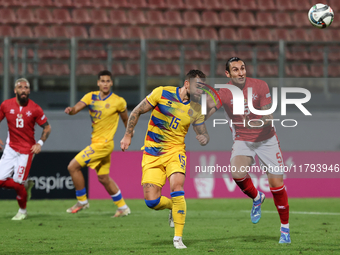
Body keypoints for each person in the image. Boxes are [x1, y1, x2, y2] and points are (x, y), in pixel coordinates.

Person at [120, 70, 209, 249]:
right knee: (151, 202)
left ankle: (178, 238)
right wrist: (128, 135)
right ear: (186, 84)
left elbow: (202, 131)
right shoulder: (161, 93)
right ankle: (171, 207)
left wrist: (204, 138)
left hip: (176, 152)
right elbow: (136, 111)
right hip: (152, 153)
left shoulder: (197, 108)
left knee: (177, 187)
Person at [206, 57, 290, 243]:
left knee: (276, 186)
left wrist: (254, 123)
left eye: (242, 68)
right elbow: (210, 108)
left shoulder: (260, 85)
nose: (241, 72)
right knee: (237, 172)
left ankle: (285, 229)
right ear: (228, 74)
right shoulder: (224, 92)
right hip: (243, 139)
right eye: (235, 70)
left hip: (267, 139)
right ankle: (257, 197)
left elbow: (268, 116)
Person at [65, 70, 130, 217]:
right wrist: (71, 110)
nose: (105, 83)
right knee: (103, 178)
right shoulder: (90, 97)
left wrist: (128, 135)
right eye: (102, 81)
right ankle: (122, 207)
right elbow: (76, 108)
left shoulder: (118, 101)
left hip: (104, 144)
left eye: (108, 81)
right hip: (96, 142)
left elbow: (126, 119)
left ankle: (82, 201)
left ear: (111, 83)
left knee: (72, 166)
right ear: (98, 83)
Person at [0, 78, 51, 220]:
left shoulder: (35, 108)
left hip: (26, 151)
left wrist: (40, 143)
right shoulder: (6, 105)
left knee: (17, 184)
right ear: (15, 90)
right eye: (20, 87)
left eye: (26, 87)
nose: (23, 89)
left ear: (29, 91)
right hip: (10, 149)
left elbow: (47, 127)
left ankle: (22, 211)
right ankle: (26, 184)